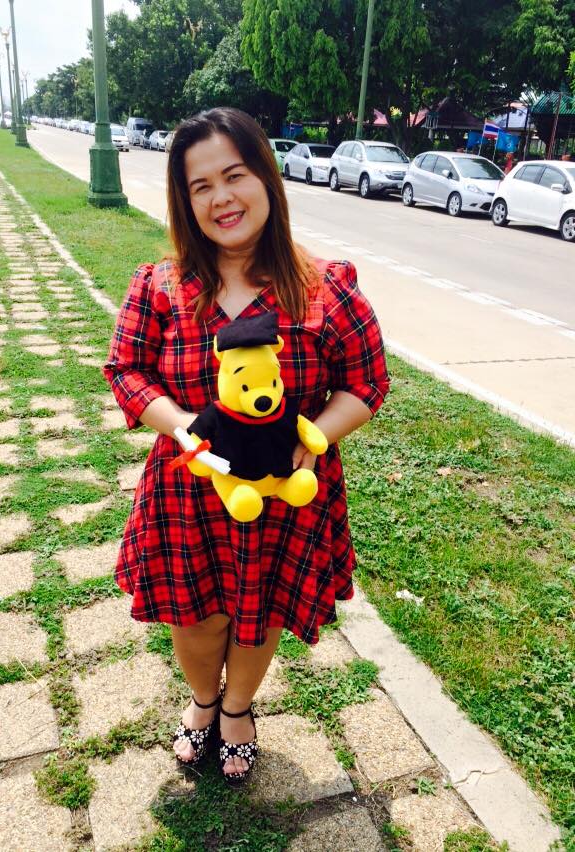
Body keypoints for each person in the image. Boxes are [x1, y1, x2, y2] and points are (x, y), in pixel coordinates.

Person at [103, 107, 390, 785]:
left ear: (266, 177)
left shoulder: (325, 286)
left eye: (234, 175)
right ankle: (204, 701)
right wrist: (181, 425)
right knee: (197, 617)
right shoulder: (161, 285)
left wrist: (316, 440)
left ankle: (238, 710)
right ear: (185, 201)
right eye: (200, 186)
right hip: (189, 492)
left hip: (285, 496)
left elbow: (366, 382)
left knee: (259, 616)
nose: (221, 198)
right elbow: (126, 370)